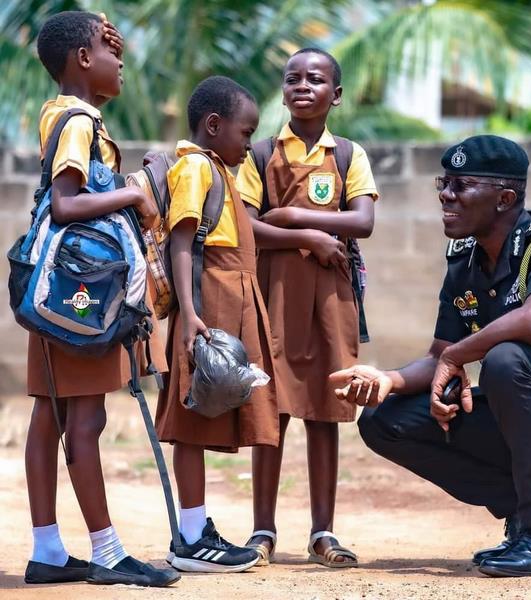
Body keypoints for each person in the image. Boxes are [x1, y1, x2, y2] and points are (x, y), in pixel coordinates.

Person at [331, 135, 531, 577]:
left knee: (505, 359)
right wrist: (389, 381)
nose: (445, 193)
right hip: (524, 417)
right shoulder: (464, 260)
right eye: (444, 182)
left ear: (504, 198)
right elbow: (439, 355)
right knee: (385, 421)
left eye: (460, 185)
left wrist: (458, 355)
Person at [25, 11, 178, 587]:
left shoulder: (60, 114)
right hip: (83, 296)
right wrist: (135, 196)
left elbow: (61, 196)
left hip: (54, 290)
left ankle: (47, 550)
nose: (121, 62)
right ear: (84, 60)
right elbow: (65, 204)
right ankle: (108, 552)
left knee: (51, 416)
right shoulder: (80, 121)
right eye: (111, 52)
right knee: (84, 421)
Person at [236, 48, 378, 567]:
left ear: (334, 95)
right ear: (282, 91)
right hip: (273, 296)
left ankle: (323, 532)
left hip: (330, 300)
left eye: (315, 80)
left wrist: (295, 216)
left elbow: (362, 223)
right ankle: (262, 530)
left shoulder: (348, 155)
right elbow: (245, 225)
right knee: (270, 411)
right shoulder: (260, 155)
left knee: (326, 409)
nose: (302, 86)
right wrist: (313, 238)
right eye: (292, 78)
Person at [154, 76, 279, 573]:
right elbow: (182, 243)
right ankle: (190, 536)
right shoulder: (195, 169)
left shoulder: (221, 170)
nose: (249, 144)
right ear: (214, 125)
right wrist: (189, 316)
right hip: (208, 306)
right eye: (245, 133)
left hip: (233, 299)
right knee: (191, 418)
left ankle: (196, 529)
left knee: (214, 410)